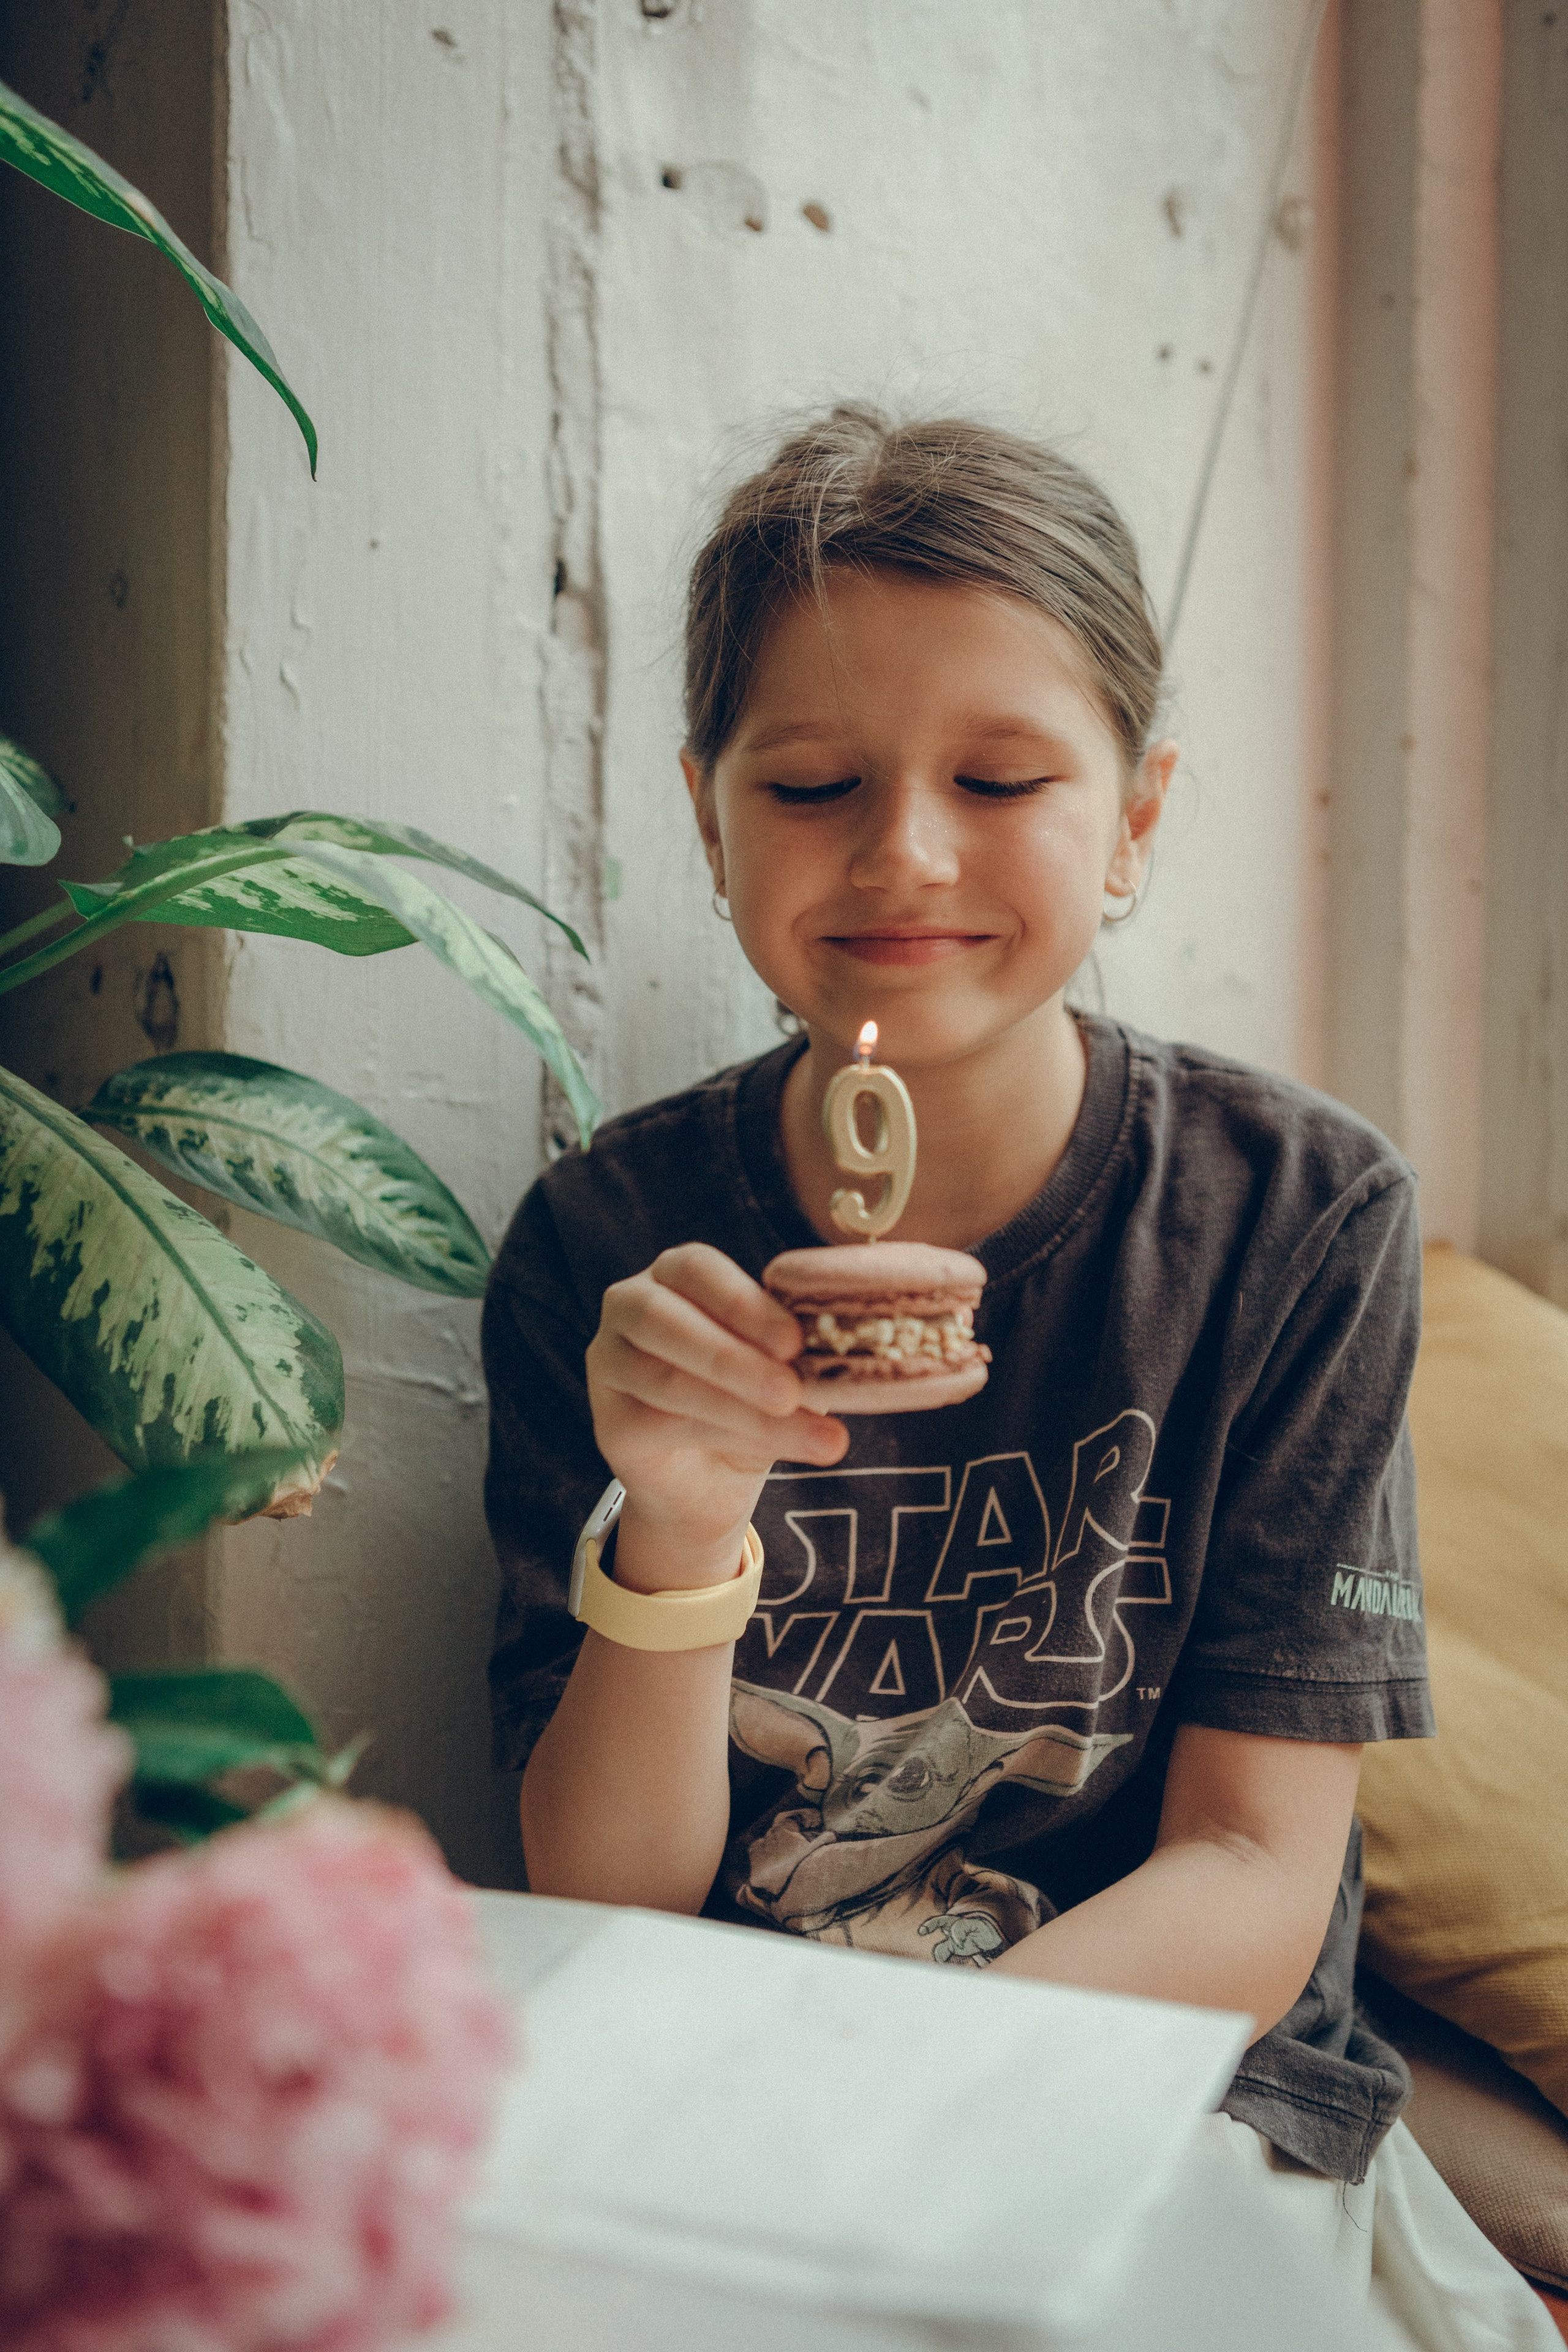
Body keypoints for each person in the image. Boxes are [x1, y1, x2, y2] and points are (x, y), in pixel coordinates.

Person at [482, 407, 1556, 2347]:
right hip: (716, 2083)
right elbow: (605, 1894)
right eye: (809, 782)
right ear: (705, 810)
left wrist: (888, 2093)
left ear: (1135, 817)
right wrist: (684, 1521)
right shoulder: (610, 1245)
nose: (904, 852)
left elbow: (1253, 1866)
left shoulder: (1293, 1220)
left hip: (1174, 2084)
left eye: (1000, 776)